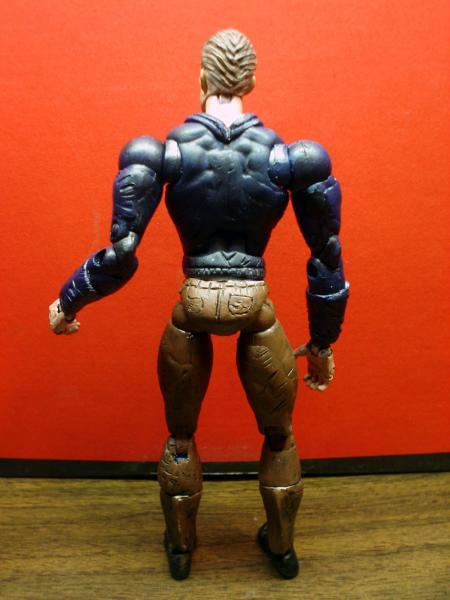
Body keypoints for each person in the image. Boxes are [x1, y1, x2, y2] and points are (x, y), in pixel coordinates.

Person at [49, 29, 349, 580]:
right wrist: (323, 343)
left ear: (202, 76)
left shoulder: (165, 152)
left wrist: (70, 301)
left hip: (193, 303)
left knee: (181, 436)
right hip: (253, 303)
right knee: (279, 434)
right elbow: (326, 256)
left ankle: (182, 546)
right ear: (252, 81)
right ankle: (281, 547)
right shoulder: (288, 157)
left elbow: (121, 253)